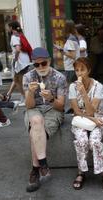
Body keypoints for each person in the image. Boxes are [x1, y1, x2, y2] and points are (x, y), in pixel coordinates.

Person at [23, 47, 66, 192]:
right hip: (34, 109)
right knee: (36, 121)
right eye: (36, 64)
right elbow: (29, 106)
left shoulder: (59, 77)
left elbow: (61, 107)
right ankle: (43, 164)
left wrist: (51, 99)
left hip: (53, 110)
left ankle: (35, 170)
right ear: (33, 64)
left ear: (49, 61)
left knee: (34, 132)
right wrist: (30, 92)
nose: (40, 67)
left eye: (44, 63)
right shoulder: (28, 77)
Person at [69, 57, 103, 192]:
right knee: (81, 140)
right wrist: (92, 119)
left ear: (89, 70)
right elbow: (75, 111)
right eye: (77, 70)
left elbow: (91, 110)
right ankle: (81, 171)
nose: (79, 73)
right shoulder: (72, 86)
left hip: (98, 117)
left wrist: (83, 93)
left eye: (83, 70)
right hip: (80, 119)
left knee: (94, 142)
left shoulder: (98, 86)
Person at [5, 21, 31, 105]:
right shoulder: (19, 34)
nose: (7, 29)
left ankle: (25, 98)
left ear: (11, 28)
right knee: (16, 79)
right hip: (24, 60)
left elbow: (18, 49)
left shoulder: (14, 36)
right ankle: (23, 97)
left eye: (8, 27)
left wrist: (15, 59)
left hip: (20, 61)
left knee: (19, 81)